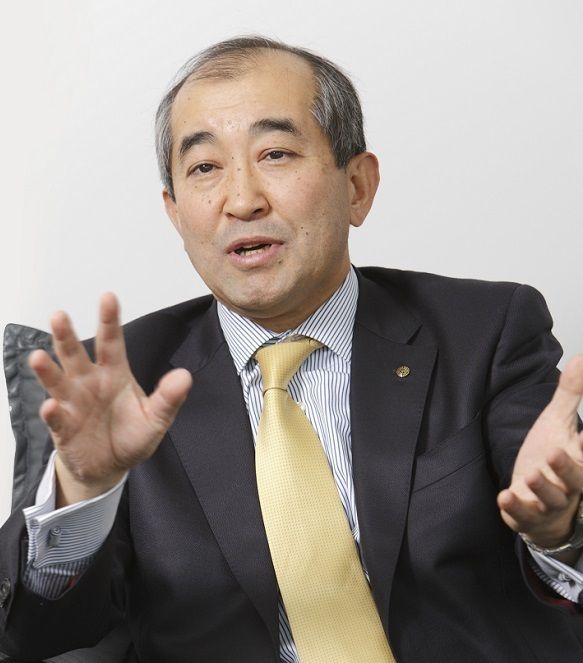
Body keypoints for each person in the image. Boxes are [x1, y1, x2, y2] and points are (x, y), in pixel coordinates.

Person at [1, 35, 583, 663]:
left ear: (357, 186)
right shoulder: (118, 382)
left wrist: (561, 533)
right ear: (174, 213)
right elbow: (32, 637)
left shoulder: (486, 331)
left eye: (275, 154)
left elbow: (554, 509)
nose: (241, 200)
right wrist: (83, 495)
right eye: (204, 168)